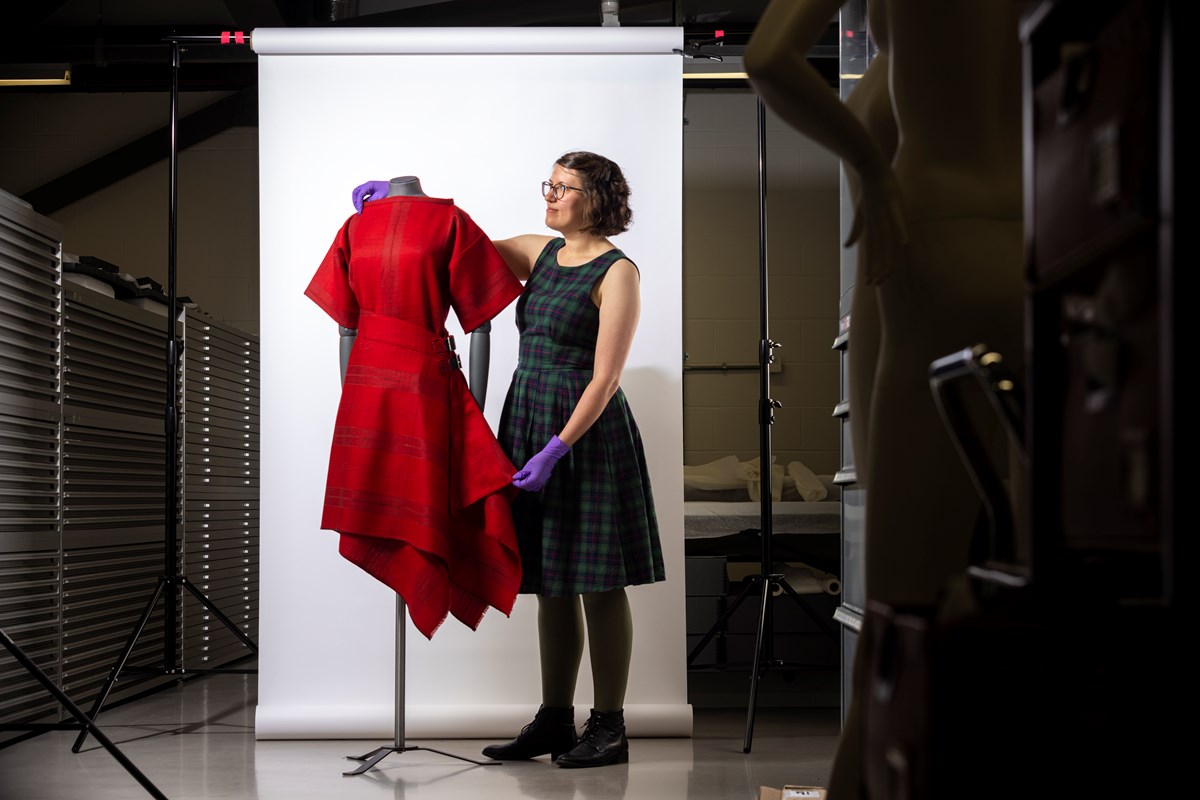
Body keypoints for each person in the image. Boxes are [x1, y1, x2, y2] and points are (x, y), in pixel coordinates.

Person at [745, 1, 1029, 796]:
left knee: (903, 614)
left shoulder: (896, 86)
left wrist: (871, 166)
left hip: (933, 227)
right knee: (1046, 594)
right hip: (1052, 237)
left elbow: (769, 59)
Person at [352, 151, 665, 769]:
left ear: (596, 199)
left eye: (564, 188)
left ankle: (609, 728)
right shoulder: (536, 252)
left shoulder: (618, 271)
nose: (549, 195)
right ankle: (555, 720)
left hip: (586, 433)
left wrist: (557, 448)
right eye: (547, 184)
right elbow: (450, 250)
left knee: (598, 583)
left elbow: (605, 380)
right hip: (527, 416)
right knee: (549, 582)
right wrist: (397, 208)